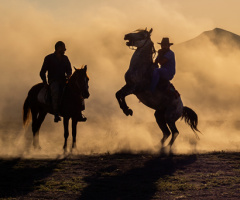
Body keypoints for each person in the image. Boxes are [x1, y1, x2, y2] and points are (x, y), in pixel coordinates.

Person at [40, 41, 72, 122]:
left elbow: (69, 69)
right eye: (63, 48)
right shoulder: (48, 58)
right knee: (55, 91)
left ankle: (77, 111)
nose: (65, 50)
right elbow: (42, 72)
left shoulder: (65, 58)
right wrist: (45, 83)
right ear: (58, 48)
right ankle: (56, 114)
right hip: (53, 81)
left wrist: (69, 75)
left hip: (64, 80)